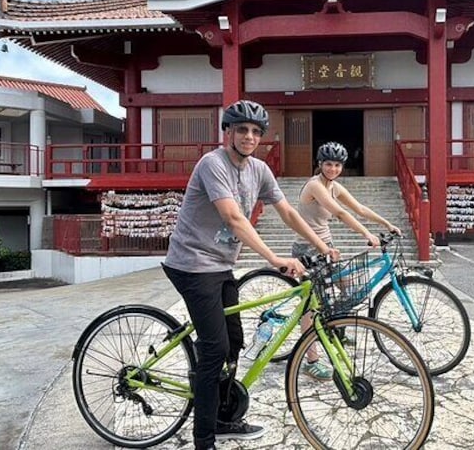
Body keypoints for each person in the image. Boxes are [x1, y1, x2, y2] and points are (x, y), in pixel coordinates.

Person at [162, 100, 339, 450]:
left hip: (220, 266)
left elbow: (286, 211)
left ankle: (224, 418)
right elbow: (233, 218)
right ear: (227, 132)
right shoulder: (212, 164)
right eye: (241, 129)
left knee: (235, 343)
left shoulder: (258, 169)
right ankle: (204, 438)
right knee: (214, 349)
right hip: (191, 265)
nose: (249, 136)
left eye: (256, 131)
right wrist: (275, 258)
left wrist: (322, 245)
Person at [292, 141, 401, 380]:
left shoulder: (334, 186)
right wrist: (366, 234)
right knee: (311, 306)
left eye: (337, 165)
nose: (332, 169)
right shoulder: (315, 186)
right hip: (307, 249)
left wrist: (387, 224)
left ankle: (335, 329)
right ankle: (311, 360)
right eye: (328, 164)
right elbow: (340, 213)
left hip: (327, 247)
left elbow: (359, 208)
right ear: (319, 164)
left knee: (348, 286)